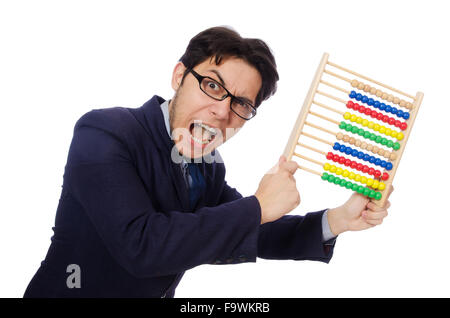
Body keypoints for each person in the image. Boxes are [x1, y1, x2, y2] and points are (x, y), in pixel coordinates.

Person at [23, 26, 391, 298]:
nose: (221, 112)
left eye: (241, 104)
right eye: (213, 86)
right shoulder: (104, 132)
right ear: (179, 76)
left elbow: (251, 228)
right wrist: (258, 206)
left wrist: (336, 220)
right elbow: (140, 246)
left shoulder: (209, 166)